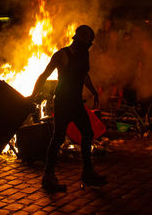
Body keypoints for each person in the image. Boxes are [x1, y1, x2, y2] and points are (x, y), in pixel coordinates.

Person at [30, 25, 106, 192]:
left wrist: (93, 91)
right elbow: (44, 75)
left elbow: (83, 75)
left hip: (76, 102)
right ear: (78, 40)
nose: (88, 46)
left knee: (88, 133)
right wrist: (32, 95)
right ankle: (48, 177)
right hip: (63, 102)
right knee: (58, 138)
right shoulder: (61, 55)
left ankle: (87, 172)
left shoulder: (84, 54)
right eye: (86, 42)